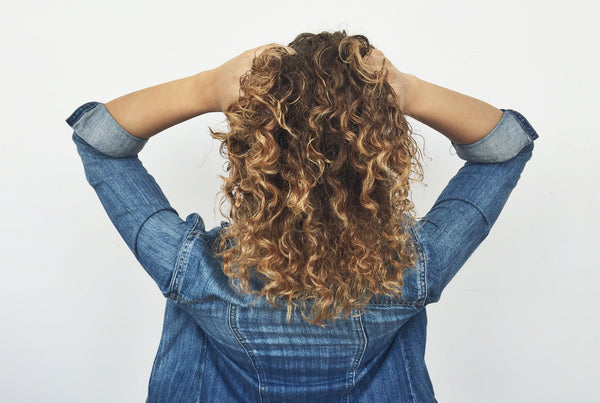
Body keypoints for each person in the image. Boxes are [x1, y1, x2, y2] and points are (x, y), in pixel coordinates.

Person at [66, 31, 538, 402]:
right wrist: (405, 90)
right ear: (379, 160)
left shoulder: (193, 270)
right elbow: (505, 148)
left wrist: (206, 87)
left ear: (253, 154)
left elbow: (100, 144)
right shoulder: (412, 270)